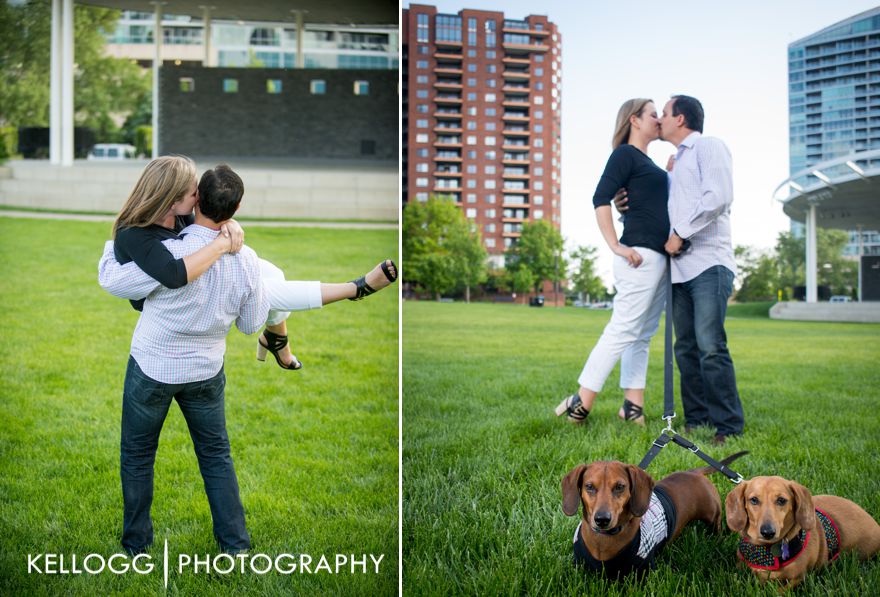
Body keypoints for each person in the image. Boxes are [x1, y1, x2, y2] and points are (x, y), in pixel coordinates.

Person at [98, 156, 397, 371]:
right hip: (162, 295)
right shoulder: (133, 233)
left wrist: (230, 223)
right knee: (259, 285)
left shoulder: (180, 213)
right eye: (193, 193)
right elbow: (174, 274)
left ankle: (277, 338)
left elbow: (209, 219)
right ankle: (354, 289)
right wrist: (222, 243)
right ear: (170, 199)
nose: (198, 196)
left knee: (270, 273)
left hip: (187, 274)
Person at [113, 164, 268, 554]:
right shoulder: (247, 259)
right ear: (237, 207)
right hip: (206, 371)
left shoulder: (166, 250)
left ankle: (136, 546)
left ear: (196, 197)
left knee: (138, 456)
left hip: (153, 367)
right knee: (216, 457)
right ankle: (236, 547)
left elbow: (122, 286)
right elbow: (251, 326)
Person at [617, 95, 743, 444]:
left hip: (708, 264)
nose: (659, 120)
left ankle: (728, 425)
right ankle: (697, 419)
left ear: (681, 118)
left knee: (710, 345)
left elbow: (718, 196)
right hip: (679, 270)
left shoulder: (708, 146)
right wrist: (623, 201)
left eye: (664, 114)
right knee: (684, 347)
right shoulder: (674, 165)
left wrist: (680, 234)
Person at [554, 98, 669, 426]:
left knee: (642, 333)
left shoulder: (649, 162)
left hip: (658, 257)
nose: (658, 119)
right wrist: (615, 245)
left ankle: (632, 406)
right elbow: (599, 197)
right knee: (622, 329)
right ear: (634, 120)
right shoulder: (625, 155)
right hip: (638, 256)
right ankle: (581, 400)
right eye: (652, 114)